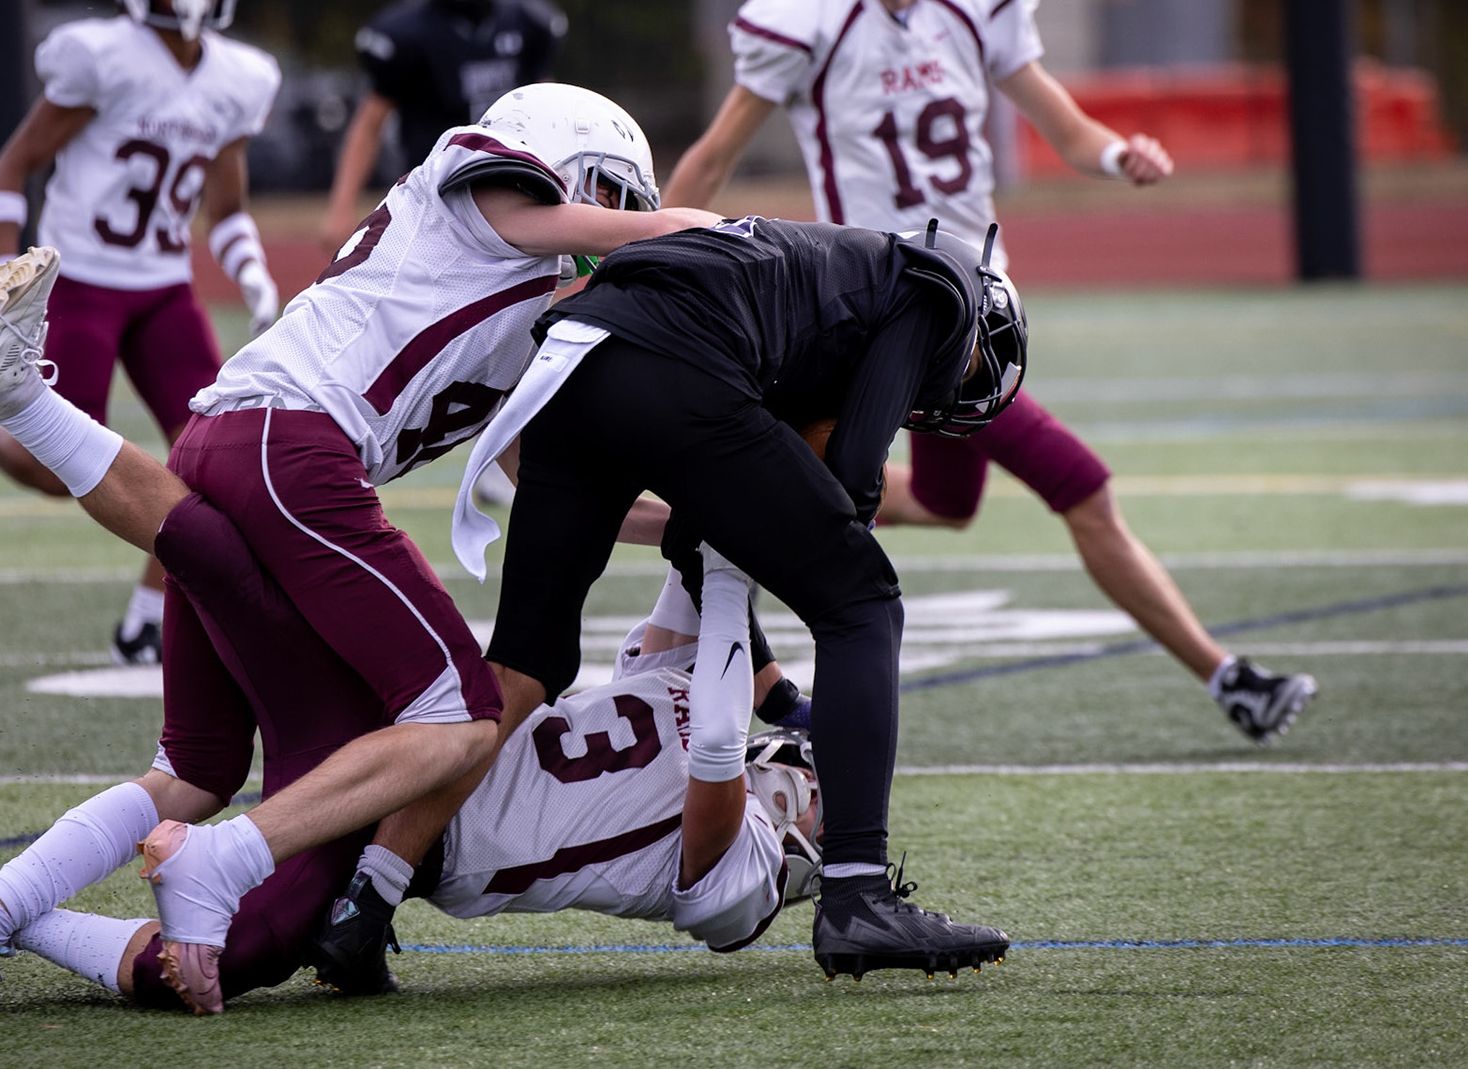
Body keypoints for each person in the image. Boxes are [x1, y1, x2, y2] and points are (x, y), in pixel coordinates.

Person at [0, 84, 719, 1008]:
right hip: (297, 448)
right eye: (611, 195)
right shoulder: (487, 194)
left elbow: (526, 472)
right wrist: (738, 233)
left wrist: (688, 519)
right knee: (461, 711)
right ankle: (219, 864)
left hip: (231, 438)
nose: (612, 221)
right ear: (566, 161)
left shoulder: (508, 296)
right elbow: (607, 230)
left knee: (195, 767)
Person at [661, 0, 1316, 744]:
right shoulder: (805, 11)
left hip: (970, 306)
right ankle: (1228, 678)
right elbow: (716, 154)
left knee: (945, 501)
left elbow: (1064, 124)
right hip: (880, 308)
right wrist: (655, 244)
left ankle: (683, 523)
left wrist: (1119, 153)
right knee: (1080, 485)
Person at [0, 496, 829, 1009]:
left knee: (212, 923)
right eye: (831, 785)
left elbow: (712, 753)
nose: (819, 801)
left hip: (411, 814)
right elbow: (705, 557)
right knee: (232, 564)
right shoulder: (704, 686)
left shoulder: (740, 876)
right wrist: (758, 534)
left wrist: (753, 627)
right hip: (414, 724)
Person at [426, 214, 1027, 986]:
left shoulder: (805, 288)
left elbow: (715, 538)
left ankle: (372, 886)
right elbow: (845, 475)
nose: (956, 383)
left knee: (526, 660)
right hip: (661, 363)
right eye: (973, 371)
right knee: (865, 602)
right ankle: (858, 891)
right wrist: (843, 504)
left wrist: (776, 695)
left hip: (571, 355)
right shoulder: (932, 297)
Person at [0, 0, 284, 665]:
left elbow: (227, 207)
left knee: (215, 461)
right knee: (61, 470)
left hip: (164, 291)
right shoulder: (103, 57)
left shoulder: (237, 79)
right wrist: (3, 283)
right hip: (80, 282)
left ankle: (147, 617)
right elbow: (12, 167)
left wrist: (256, 281)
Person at [321, 0, 567, 509]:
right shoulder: (404, 33)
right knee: (439, 327)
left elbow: (551, 111)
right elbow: (370, 120)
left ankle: (500, 452)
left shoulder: (529, 22)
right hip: (437, 210)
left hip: (518, 198)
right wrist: (339, 203)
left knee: (526, 323)